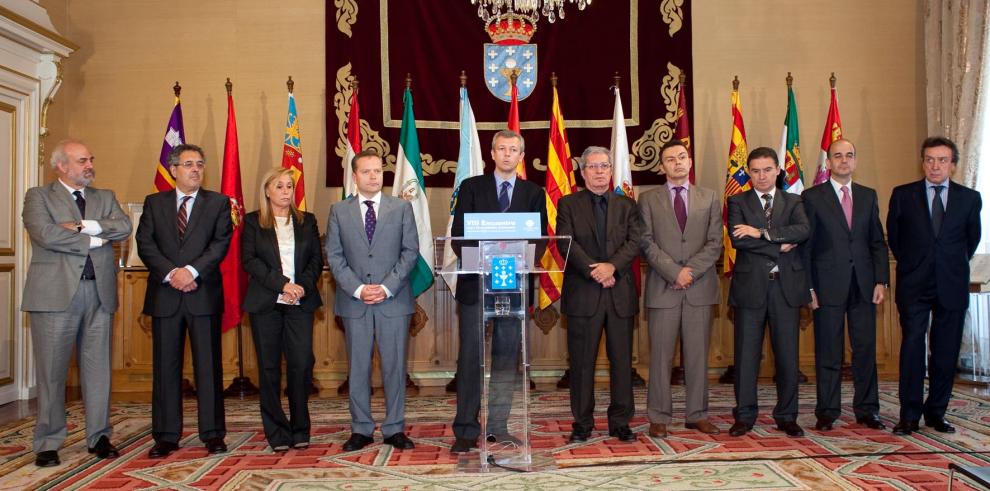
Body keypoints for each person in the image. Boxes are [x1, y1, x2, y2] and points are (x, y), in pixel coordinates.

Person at [22, 139, 132, 467]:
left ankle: (99, 436)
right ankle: (48, 441)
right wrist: (99, 239)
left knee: (98, 371)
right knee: (52, 371)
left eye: (90, 159)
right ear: (62, 166)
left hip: (99, 294)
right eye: (82, 160)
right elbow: (46, 234)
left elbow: (124, 227)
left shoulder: (105, 197)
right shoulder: (38, 197)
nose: (89, 165)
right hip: (54, 296)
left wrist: (84, 227)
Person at [448, 129, 548, 453]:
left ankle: (498, 427)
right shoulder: (471, 187)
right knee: (471, 357)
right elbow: (459, 237)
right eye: (502, 149)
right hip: (477, 285)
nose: (507, 154)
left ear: (521, 156)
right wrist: (491, 252)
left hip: (512, 287)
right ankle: (465, 429)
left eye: (514, 150)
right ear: (492, 153)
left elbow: (541, 239)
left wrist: (511, 252)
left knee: (507, 357)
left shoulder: (533, 192)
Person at [136, 143, 233, 458]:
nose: (196, 169)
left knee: (208, 367)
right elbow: (145, 244)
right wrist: (172, 274)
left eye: (200, 164)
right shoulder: (154, 203)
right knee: (166, 368)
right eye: (189, 164)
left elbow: (221, 243)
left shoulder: (218, 203)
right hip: (166, 295)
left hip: (202, 294)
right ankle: (166, 435)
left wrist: (191, 272)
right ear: (174, 169)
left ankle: (213, 434)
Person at [887, 136, 982, 435]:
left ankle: (936, 412)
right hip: (914, 285)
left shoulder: (969, 198)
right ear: (923, 162)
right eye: (929, 159)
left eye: (942, 160)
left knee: (945, 351)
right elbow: (896, 238)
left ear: (952, 165)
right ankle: (909, 415)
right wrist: (917, 264)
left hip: (951, 285)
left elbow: (971, 240)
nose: (935, 166)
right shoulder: (903, 195)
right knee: (913, 346)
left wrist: (947, 264)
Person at [326, 150, 419, 451]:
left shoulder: (401, 209)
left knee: (394, 367)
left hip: (393, 301)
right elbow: (335, 256)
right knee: (358, 368)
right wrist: (358, 289)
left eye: (378, 171)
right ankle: (361, 429)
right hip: (355, 302)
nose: (373, 176)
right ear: (354, 176)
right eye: (366, 171)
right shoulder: (339, 211)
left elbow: (410, 253)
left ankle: (394, 428)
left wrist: (387, 287)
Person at [556, 146, 644, 443]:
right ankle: (582, 422)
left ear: (611, 170)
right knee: (582, 365)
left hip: (619, 293)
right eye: (592, 167)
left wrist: (612, 268)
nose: (599, 171)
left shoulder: (627, 205)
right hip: (584, 291)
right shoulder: (568, 203)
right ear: (582, 172)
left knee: (622, 363)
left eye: (604, 166)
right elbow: (565, 243)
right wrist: (595, 271)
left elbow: (635, 242)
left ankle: (621, 422)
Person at [801, 139, 889, 432]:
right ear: (828, 163)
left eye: (849, 155)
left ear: (855, 160)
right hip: (827, 287)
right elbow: (807, 248)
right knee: (829, 351)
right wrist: (809, 288)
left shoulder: (868, 195)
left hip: (864, 286)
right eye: (837, 156)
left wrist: (881, 280)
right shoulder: (812, 197)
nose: (843, 160)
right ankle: (827, 411)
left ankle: (867, 410)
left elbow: (877, 242)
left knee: (865, 350)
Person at [638, 140, 722, 438]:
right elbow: (646, 242)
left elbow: (715, 243)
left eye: (682, 157)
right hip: (664, 288)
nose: (678, 163)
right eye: (670, 159)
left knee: (698, 355)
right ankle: (658, 416)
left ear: (690, 161)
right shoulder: (647, 199)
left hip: (699, 288)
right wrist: (674, 271)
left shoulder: (709, 197)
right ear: (662, 166)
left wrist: (690, 272)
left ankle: (697, 414)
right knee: (660, 356)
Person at [727, 147, 810, 438]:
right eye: (756, 171)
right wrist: (779, 244)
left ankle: (787, 416)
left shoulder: (795, 200)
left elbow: (802, 231)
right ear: (749, 173)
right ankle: (745, 415)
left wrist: (761, 233)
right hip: (750, 290)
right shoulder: (737, 200)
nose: (761, 176)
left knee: (787, 357)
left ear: (777, 170)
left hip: (785, 290)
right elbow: (739, 240)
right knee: (746, 356)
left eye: (767, 170)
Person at [242, 167, 323, 452]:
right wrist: (282, 285)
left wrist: (300, 286)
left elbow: (315, 258)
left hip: (300, 302)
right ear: (267, 191)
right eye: (279, 186)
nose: (286, 191)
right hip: (266, 303)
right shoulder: (253, 222)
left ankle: (301, 429)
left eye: (289, 186)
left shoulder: (307, 221)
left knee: (301, 365)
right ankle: (277, 432)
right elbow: (250, 260)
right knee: (269, 368)